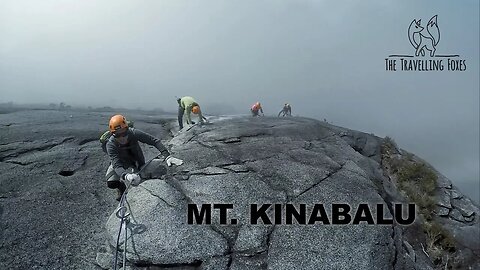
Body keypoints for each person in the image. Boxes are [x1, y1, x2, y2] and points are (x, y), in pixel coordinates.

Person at [105, 114, 184, 201]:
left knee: (139, 179)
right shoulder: (110, 144)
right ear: (112, 134)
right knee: (111, 183)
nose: (122, 137)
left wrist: (168, 156)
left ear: (127, 129)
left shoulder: (133, 133)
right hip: (121, 162)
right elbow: (117, 165)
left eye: (124, 133)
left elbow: (154, 141)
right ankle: (121, 187)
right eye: (117, 135)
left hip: (136, 160)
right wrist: (126, 176)